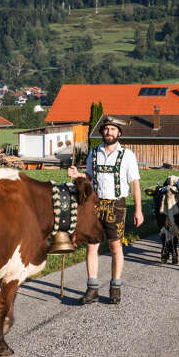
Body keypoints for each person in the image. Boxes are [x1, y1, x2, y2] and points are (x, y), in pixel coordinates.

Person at [68, 116, 144, 305]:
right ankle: (92, 289)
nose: (108, 132)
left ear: (119, 133)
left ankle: (115, 288)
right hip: (95, 205)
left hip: (116, 205)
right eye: (106, 129)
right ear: (102, 132)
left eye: (112, 129)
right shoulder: (94, 152)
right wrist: (78, 175)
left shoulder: (127, 155)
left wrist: (138, 210)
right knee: (92, 246)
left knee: (115, 247)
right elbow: (89, 176)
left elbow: (135, 183)